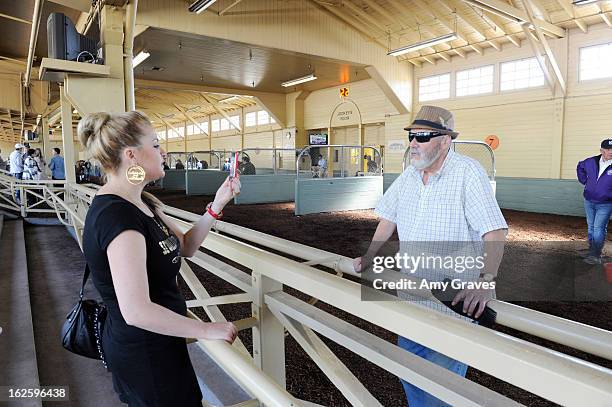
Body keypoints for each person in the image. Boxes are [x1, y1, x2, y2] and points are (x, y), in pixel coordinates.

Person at [78, 111, 240, 406]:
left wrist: (217, 204)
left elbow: (186, 246)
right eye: (155, 145)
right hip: (145, 353)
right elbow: (136, 311)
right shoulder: (117, 216)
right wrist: (205, 330)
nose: (163, 152)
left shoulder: (142, 202)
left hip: (161, 342)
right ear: (132, 155)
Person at [353, 106, 508, 407]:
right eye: (412, 135)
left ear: (446, 141)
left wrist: (485, 280)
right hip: (411, 299)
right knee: (408, 372)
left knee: (440, 389)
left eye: (423, 136)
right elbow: (388, 218)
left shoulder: (468, 173)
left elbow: (495, 232)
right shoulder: (410, 175)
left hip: (451, 306)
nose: (414, 143)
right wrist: (371, 255)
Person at [577, 138, 612, 264]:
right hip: (589, 201)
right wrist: (584, 180)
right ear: (601, 150)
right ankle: (592, 250)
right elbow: (580, 166)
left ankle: (595, 255)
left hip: (606, 203)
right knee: (591, 227)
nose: (611, 151)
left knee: (598, 228)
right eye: (608, 149)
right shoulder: (591, 161)